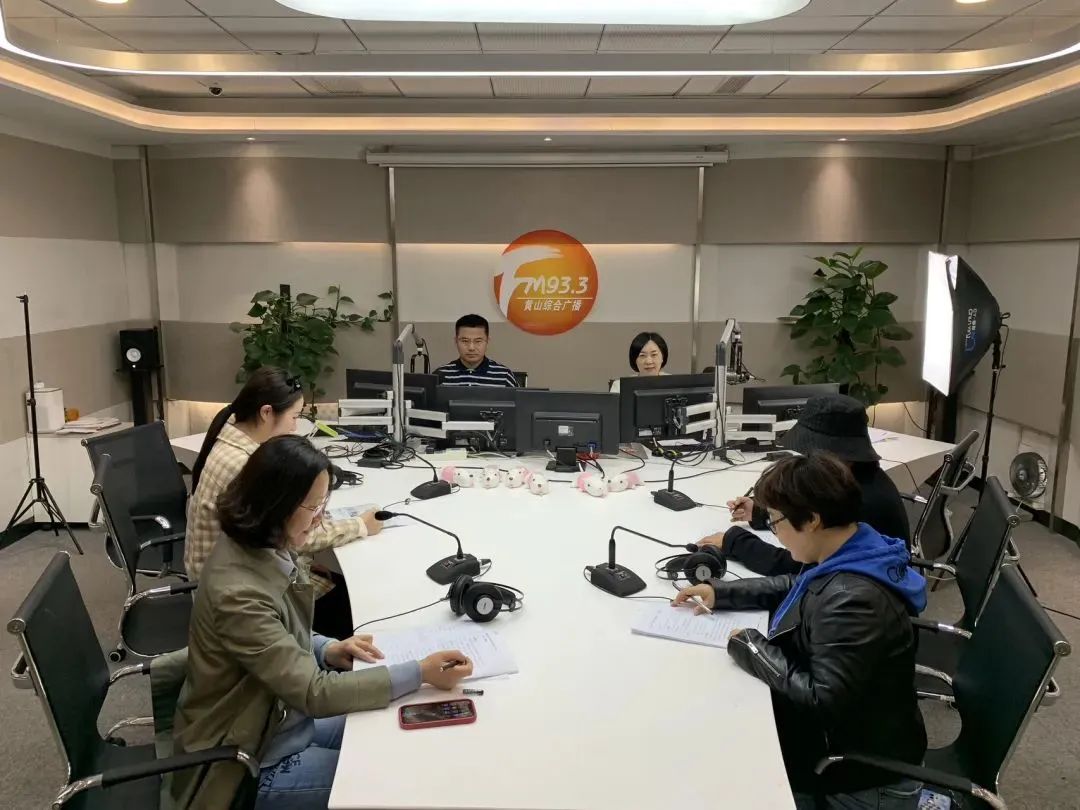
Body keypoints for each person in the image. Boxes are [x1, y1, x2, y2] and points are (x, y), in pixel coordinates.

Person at [171, 435, 472, 809]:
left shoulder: (262, 546)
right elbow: (314, 693)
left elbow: (278, 634)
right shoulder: (239, 593)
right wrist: (421, 672)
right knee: (396, 778)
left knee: (396, 724)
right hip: (248, 760)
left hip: (278, 718)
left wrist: (326, 648)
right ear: (276, 504)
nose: (320, 518)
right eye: (314, 506)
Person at [674, 452, 927, 810]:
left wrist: (751, 646)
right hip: (857, 743)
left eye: (776, 521)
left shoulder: (853, 601)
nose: (775, 533)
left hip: (858, 781)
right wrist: (722, 593)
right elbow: (798, 584)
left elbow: (821, 700)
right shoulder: (858, 548)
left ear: (811, 520)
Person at [186, 366, 382, 639]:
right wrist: (360, 525)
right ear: (267, 413)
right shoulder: (245, 465)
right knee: (355, 601)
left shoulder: (233, 444)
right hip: (237, 596)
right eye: (294, 417)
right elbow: (295, 534)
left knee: (338, 580)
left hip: (236, 574)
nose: (295, 427)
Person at [699, 393, 910, 576]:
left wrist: (736, 543)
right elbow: (814, 505)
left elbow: (802, 566)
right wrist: (763, 512)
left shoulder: (863, 503)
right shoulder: (854, 477)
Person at [435, 314, 517, 387]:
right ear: (456, 341)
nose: (471, 348)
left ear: (487, 341)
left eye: (478, 341)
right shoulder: (440, 376)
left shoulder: (504, 376)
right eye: (465, 341)